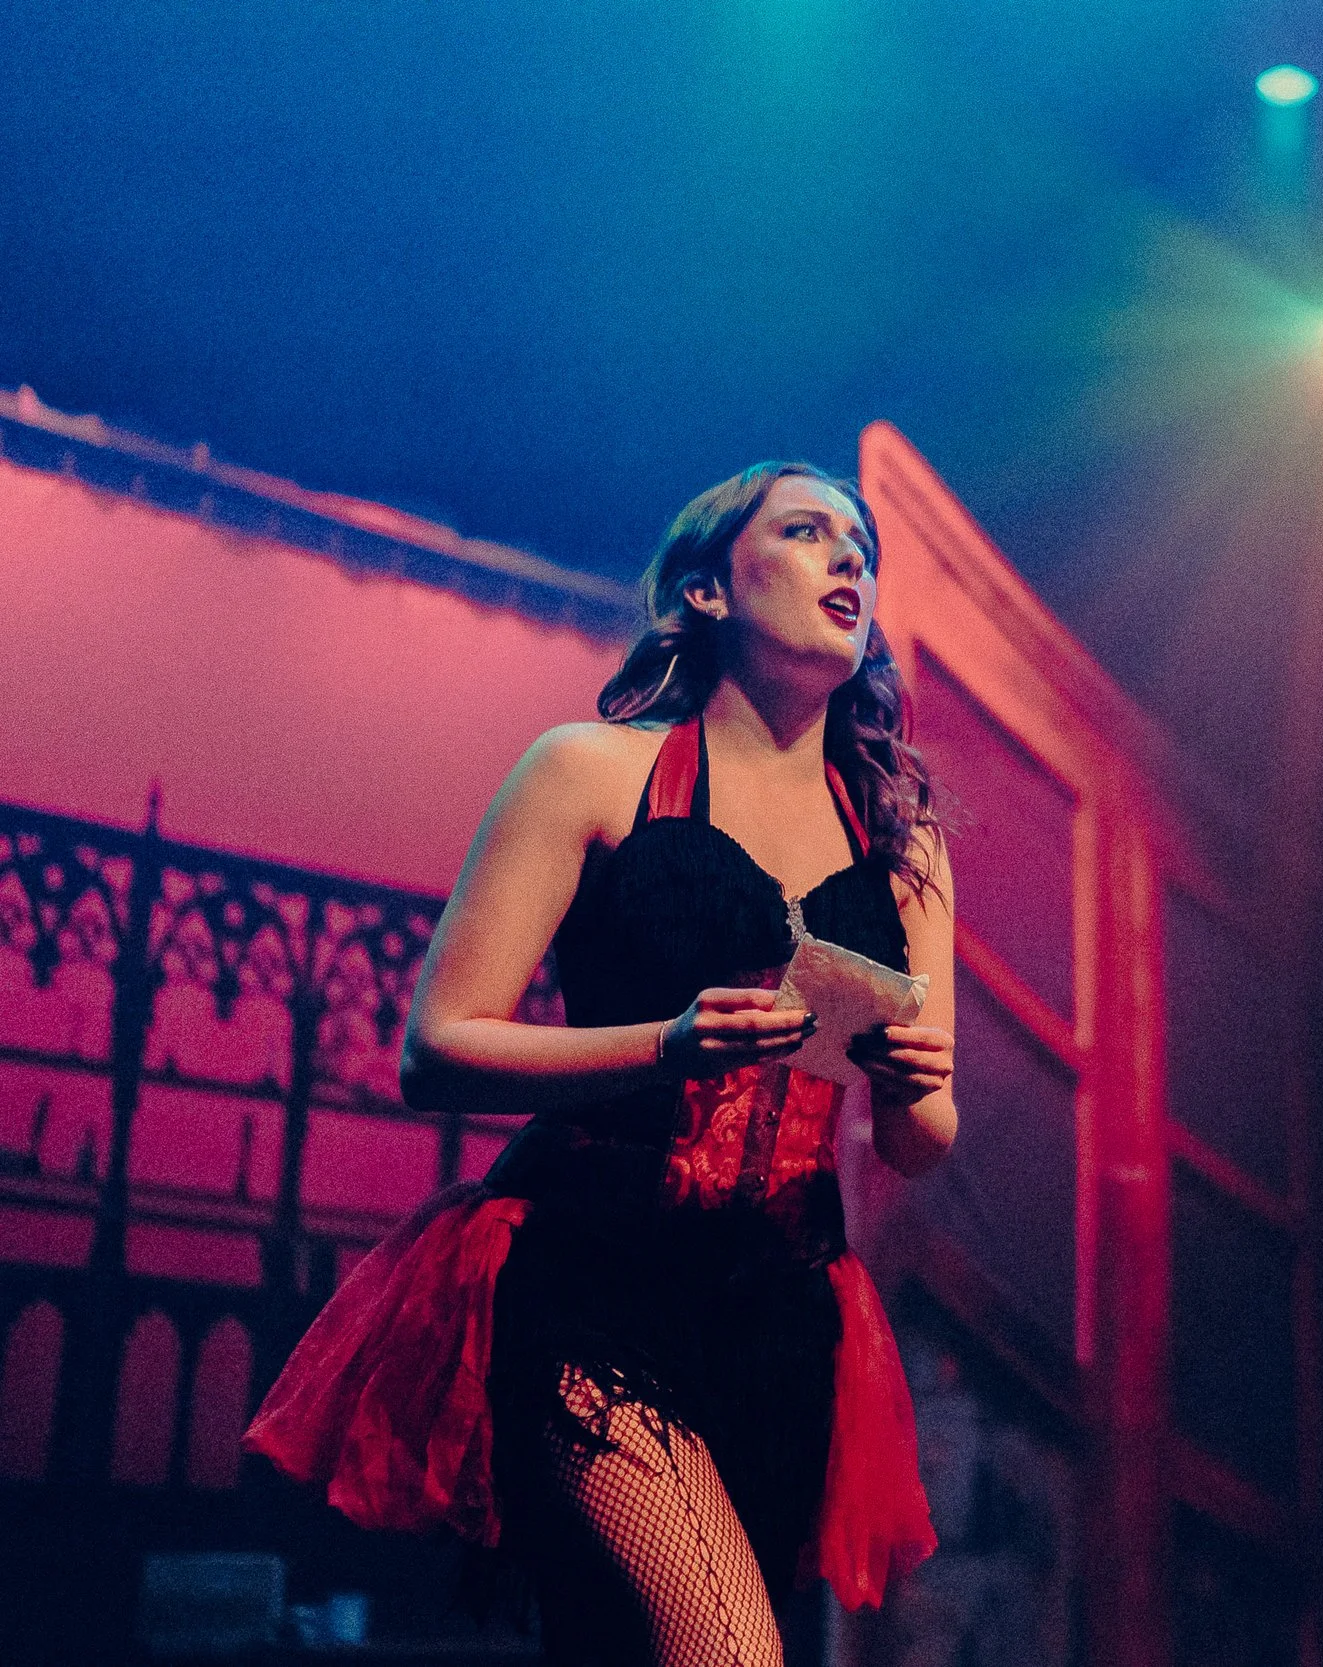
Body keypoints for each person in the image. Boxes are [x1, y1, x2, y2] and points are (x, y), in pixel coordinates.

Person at [245, 462, 957, 1667]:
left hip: (785, 1312)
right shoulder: (589, 768)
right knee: (730, 1652)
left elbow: (921, 1138)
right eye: (805, 530)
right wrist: (667, 1044)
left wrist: (906, 1081)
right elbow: (437, 1044)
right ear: (708, 588)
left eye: (862, 545)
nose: (849, 557)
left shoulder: (900, 836)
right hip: (596, 1275)